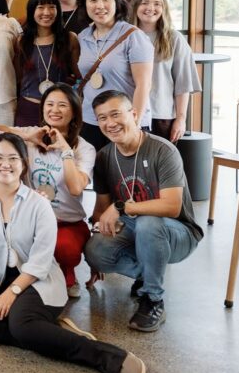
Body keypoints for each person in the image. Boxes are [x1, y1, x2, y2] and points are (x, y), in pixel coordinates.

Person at [0, 132, 147, 373]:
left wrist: (12, 293)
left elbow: (40, 261)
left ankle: (110, 359)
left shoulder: (39, 204)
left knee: (21, 325)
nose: (5, 164)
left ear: (24, 163)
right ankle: (48, 333)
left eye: (13, 158)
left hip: (38, 280)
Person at [84, 90, 203, 332]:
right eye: (102, 118)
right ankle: (149, 274)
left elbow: (171, 206)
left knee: (148, 222)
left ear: (134, 114)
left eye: (116, 114)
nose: (110, 123)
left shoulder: (162, 150)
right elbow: (101, 209)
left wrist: (121, 207)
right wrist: (94, 257)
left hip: (178, 232)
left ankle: (153, 298)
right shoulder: (105, 157)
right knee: (95, 250)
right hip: (134, 228)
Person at [0, 84, 95, 298]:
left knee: (65, 248)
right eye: (49, 104)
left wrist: (65, 150)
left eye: (62, 105)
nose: (54, 110)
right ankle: (30, 277)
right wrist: (27, 137)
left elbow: (76, 188)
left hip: (66, 222)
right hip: (32, 219)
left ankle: (66, 274)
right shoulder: (32, 134)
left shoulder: (85, 148)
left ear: (74, 112)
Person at [77, 0, 153, 150]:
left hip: (124, 122)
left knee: (125, 167)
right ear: (85, 5)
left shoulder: (133, 36)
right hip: (91, 120)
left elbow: (144, 85)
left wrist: (134, 124)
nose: (100, 6)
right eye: (93, 0)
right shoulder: (83, 37)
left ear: (117, 3)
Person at [129, 0, 201, 143]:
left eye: (157, 4)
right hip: (128, 114)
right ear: (135, 6)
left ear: (164, 9)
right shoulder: (125, 37)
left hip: (161, 116)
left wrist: (181, 119)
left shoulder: (174, 39)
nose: (150, 8)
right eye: (145, 3)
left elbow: (183, 84)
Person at [12, 0, 80, 126]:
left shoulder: (70, 39)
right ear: (32, 11)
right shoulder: (21, 41)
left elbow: (79, 75)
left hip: (58, 111)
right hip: (28, 109)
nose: (47, 12)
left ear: (58, 10)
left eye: (52, 7)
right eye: (41, 7)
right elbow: (17, 77)